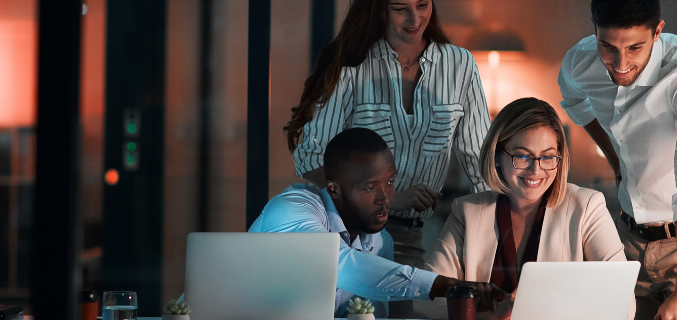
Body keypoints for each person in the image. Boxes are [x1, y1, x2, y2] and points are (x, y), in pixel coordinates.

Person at [283, 3, 491, 313]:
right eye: (399, 8)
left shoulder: (460, 65)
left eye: (422, 5)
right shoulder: (352, 65)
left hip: (409, 234)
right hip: (344, 231)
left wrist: (495, 229)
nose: (414, 18)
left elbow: (481, 163)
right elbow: (310, 159)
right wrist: (390, 198)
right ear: (378, 8)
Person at [557, 0, 677, 319]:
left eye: (634, 47)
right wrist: (616, 161)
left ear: (657, 31)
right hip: (629, 238)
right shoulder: (579, 61)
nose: (620, 63)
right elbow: (575, 101)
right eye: (608, 46)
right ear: (594, 29)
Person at [251, 128, 507, 318]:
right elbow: (335, 263)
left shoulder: (379, 241)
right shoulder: (292, 208)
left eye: (390, 182)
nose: (385, 198)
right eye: (370, 187)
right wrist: (444, 284)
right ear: (334, 189)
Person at [415, 98, 634, 320]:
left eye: (547, 157)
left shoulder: (587, 207)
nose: (536, 169)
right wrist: (490, 316)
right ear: (497, 155)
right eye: (522, 156)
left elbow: (623, 304)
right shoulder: (467, 212)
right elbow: (424, 298)